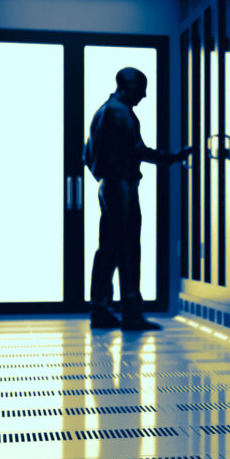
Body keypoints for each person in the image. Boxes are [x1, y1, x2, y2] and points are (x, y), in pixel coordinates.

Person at [87, 67, 192, 329]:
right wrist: (173, 158)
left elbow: (87, 155)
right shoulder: (120, 112)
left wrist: (105, 178)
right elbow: (138, 151)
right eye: (142, 88)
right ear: (128, 85)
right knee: (129, 248)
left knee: (108, 249)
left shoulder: (102, 111)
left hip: (107, 185)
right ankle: (131, 312)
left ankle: (99, 309)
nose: (145, 95)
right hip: (121, 186)